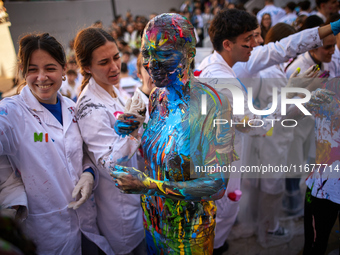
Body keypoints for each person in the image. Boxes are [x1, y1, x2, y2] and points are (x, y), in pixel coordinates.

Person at [198, 8, 340, 252]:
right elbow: (255, 125)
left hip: (236, 149)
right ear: (227, 44)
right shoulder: (222, 80)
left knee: (232, 205)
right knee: (224, 210)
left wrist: (328, 29)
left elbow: (281, 47)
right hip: (221, 160)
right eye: (249, 39)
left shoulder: (225, 58)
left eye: (257, 35)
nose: (259, 42)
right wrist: (295, 94)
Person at [111, 13, 236, 254]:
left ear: (190, 54)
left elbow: (218, 185)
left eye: (165, 54)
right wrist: (132, 129)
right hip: (154, 223)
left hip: (189, 233)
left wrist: (149, 185)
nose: (151, 64)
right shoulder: (158, 97)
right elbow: (163, 149)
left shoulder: (213, 104)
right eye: (147, 53)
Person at [0, 32, 114, 254]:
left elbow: (84, 153)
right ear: (24, 72)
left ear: (63, 70)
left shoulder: (72, 108)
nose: (42, 77)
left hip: (86, 224)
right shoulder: (11, 112)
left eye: (50, 68)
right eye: (33, 69)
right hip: (47, 231)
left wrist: (89, 172)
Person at [74, 27, 146, 255]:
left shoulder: (116, 90)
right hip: (120, 209)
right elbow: (110, 165)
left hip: (137, 197)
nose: (115, 67)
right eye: (104, 62)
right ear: (86, 67)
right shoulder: (89, 107)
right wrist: (134, 131)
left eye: (116, 57)